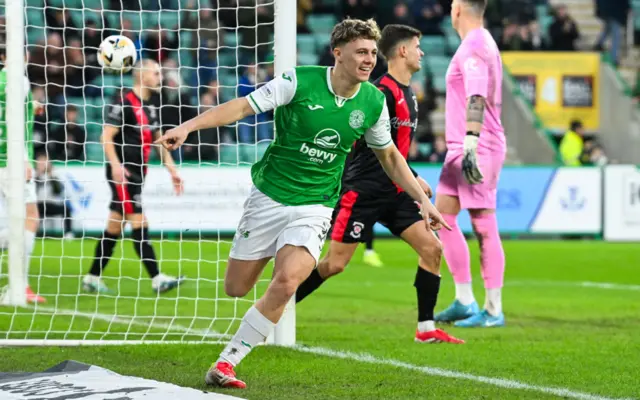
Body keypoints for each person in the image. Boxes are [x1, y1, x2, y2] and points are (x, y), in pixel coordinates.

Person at [155, 18, 450, 389]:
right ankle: (260, 293)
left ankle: (227, 362)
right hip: (271, 196)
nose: (369, 60)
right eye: (361, 52)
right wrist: (188, 127)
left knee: (289, 279)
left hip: (317, 204)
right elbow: (244, 108)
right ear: (338, 53)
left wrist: (423, 200)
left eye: (373, 53)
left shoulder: (373, 102)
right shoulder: (298, 81)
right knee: (237, 288)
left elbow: (390, 156)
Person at [294, 24, 463, 345]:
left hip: (395, 193)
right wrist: (410, 174)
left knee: (432, 249)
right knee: (334, 264)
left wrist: (410, 175)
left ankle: (426, 329)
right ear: (402, 51)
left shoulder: (409, 93)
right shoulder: (379, 92)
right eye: (417, 46)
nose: (421, 52)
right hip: (365, 190)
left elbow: (394, 150)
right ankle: (279, 309)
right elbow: (371, 147)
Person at [82, 59, 185, 294]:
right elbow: (106, 137)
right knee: (139, 221)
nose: (161, 78)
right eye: (156, 73)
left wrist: (172, 170)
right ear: (142, 76)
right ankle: (157, 278)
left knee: (115, 225)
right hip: (123, 172)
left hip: (139, 172)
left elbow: (160, 141)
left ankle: (92, 277)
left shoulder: (152, 106)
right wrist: (116, 166)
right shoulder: (122, 103)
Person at [434, 0, 507, 328]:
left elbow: (476, 97)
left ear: (459, 8)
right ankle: (465, 299)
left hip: (476, 145)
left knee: (482, 223)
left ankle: (493, 309)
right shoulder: (480, 42)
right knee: (442, 218)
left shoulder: (475, 45)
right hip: (463, 145)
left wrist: (471, 145)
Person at [0, 48, 45, 304]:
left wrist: (31, 106)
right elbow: (14, 123)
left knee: (20, 220)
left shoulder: (2, 81)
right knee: (30, 219)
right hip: (12, 160)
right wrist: (25, 159)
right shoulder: (18, 80)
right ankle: (20, 286)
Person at [34, 154, 74, 238]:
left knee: (66, 209)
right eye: (40, 162)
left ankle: (68, 233)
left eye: (44, 162)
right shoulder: (34, 176)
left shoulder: (54, 176)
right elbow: (32, 191)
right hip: (38, 205)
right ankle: (32, 233)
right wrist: (38, 176)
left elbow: (57, 192)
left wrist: (51, 176)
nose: (42, 164)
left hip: (51, 204)